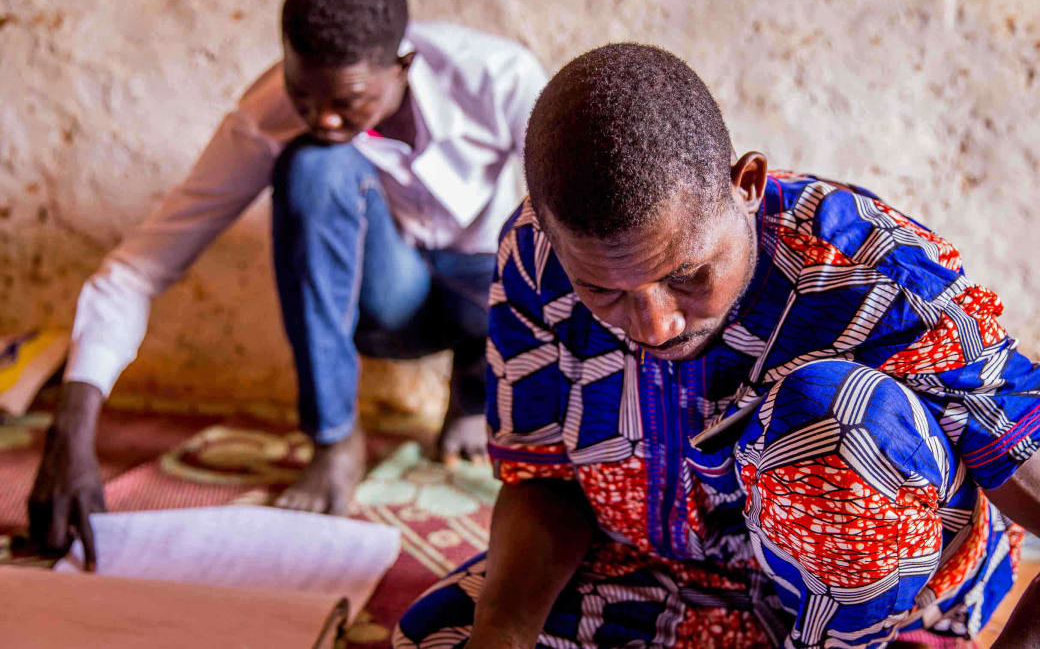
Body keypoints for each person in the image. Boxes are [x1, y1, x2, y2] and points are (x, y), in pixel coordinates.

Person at [394, 44, 1040, 648]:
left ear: (747, 184)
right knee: (439, 636)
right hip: (658, 576)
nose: (654, 326)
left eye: (687, 275)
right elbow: (545, 481)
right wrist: (501, 634)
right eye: (603, 289)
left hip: (876, 621)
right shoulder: (535, 258)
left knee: (829, 415)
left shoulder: (876, 276)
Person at [27, 0, 547, 569]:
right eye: (303, 93)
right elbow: (141, 266)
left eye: (348, 100)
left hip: (489, 293)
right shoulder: (270, 113)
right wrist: (71, 425)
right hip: (392, 303)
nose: (323, 117)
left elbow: (574, 229)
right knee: (312, 165)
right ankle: (333, 440)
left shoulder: (497, 76)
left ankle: (474, 389)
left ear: (403, 65)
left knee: (548, 234)